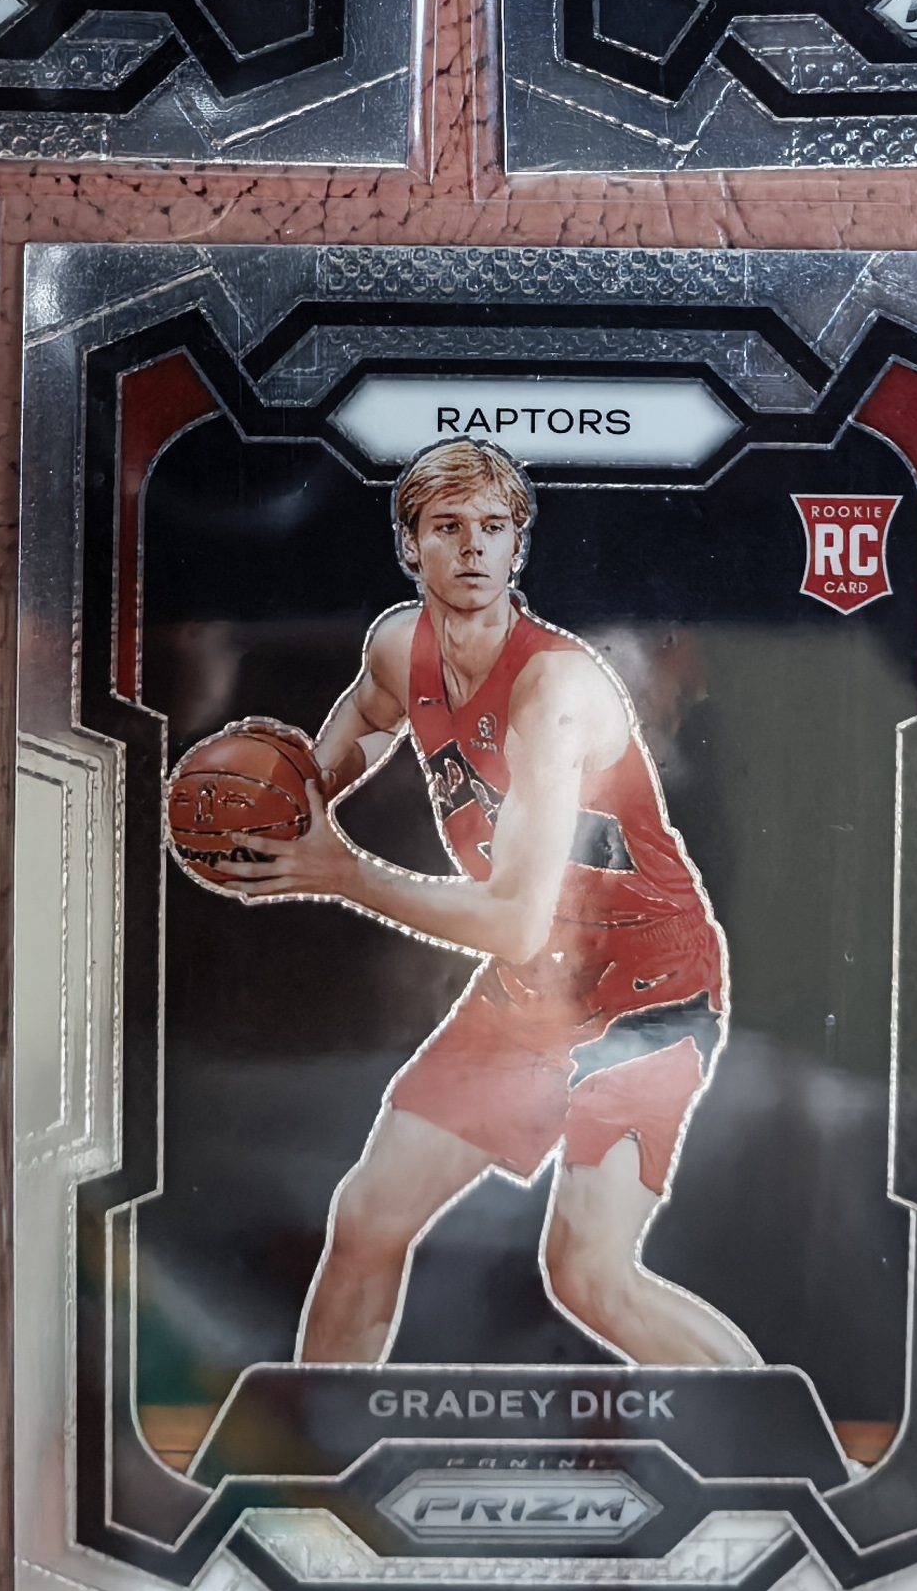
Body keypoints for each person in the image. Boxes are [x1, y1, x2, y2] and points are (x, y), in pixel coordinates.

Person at [201, 438, 754, 1369]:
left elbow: (512, 921)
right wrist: (296, 791)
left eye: (493, 528)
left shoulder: (554, 691)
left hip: (649, 986)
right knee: (368, 1217)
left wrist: (344, 872)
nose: (472, 548)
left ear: (517, 548)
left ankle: (773, 1423)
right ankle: (316, 1441)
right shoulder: (399, 647)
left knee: (589, 1276)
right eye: (448, 527)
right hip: (538, 986)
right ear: (410, 546)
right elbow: (366, 719)